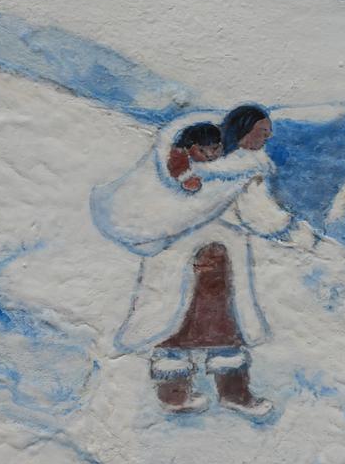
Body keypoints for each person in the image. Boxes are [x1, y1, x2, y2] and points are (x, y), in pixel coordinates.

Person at [106, 104, 319, 420]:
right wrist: (302, 236)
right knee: (224, 330)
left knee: (173, 327)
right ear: (243, 132)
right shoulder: (240, 171)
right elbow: (260, 217)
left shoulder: (181, 170)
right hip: (216, 265)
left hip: (174, 259)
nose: (268, 137)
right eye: (262, 131)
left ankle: (174, 394)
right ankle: (234, 394)